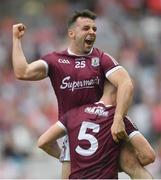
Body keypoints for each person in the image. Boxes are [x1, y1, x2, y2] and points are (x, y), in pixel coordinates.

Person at [12, 9, 155, 178]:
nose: (92, 32)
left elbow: (125, 83)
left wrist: (118, 119)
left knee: (132, 165)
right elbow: (23, 72)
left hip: (104, 125)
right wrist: (16, 39)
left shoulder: (101, 58)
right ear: (72, 33)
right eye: (86, 28)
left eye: (94, 29)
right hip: (71, 131)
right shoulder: (55, 60)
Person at [38, 81, 155, 179]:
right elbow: (149, 155)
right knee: (133, 165)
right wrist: (121, 165)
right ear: (119, 92)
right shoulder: (117, 119)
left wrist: (71, 158)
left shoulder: (74, 113)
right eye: (129, 94)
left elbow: (43, 142)